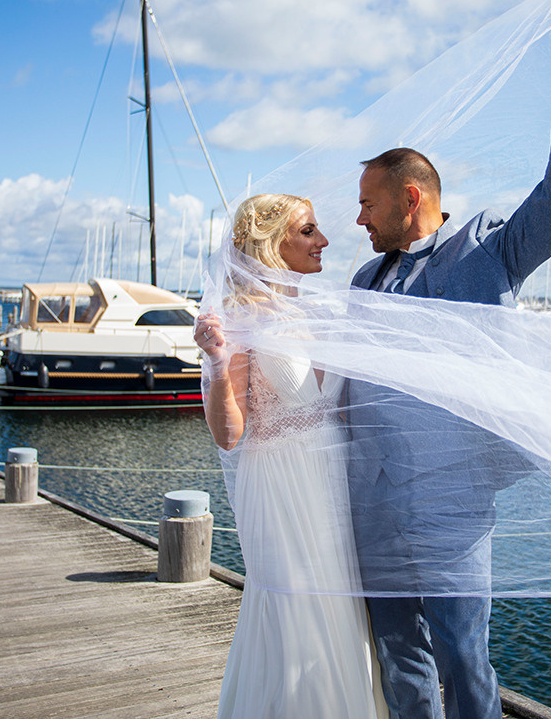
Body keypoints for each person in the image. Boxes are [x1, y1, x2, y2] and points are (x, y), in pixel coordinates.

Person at [346, 0, 551, 719]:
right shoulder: (364, 276)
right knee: (400, 662)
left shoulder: (488, 249)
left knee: (464, 658)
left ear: (410, 197)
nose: (358, 218)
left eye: (367, 203)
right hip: (374, 504)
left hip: (453, 510)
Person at [195, 194, 388, 719]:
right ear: (272, 242)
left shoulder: (323, 309)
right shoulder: (237, 318)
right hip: (280, 480)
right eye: (308, 231)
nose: (323, 240)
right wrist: (215, 363)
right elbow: (228, 435)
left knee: (342, 602)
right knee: (295, 610)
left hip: (335, 478)